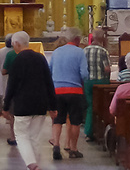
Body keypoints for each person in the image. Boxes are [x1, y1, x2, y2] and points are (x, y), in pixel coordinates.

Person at [2, 30, 56, 170]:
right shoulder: (40, 58)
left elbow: (11, 85)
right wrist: (53, 106)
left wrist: (6, 106)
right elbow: (48, 82)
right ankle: (32, 165)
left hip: (22, 104)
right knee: (34, 137)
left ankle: (31, 165)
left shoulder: (17, 59)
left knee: (21, 135)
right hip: (40, 103)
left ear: (17, 44)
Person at [49, 27, 89, 160]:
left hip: (57, 90)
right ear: (77, 39)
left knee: (57, 120)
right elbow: (84, 74)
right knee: (75, 121)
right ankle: (73, 148)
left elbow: (50, 70)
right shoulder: (79, 52)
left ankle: (56, 145)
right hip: (74, 91)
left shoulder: (56, 52)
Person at [82, 31, 111, 139]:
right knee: (102, 107)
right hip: (100, 82)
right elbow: (107, 69)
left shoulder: (84, 50)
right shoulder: (103, 51)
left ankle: (88, 131)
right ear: (102, 39)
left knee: (90, 107)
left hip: (88, 81)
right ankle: (100, 131)